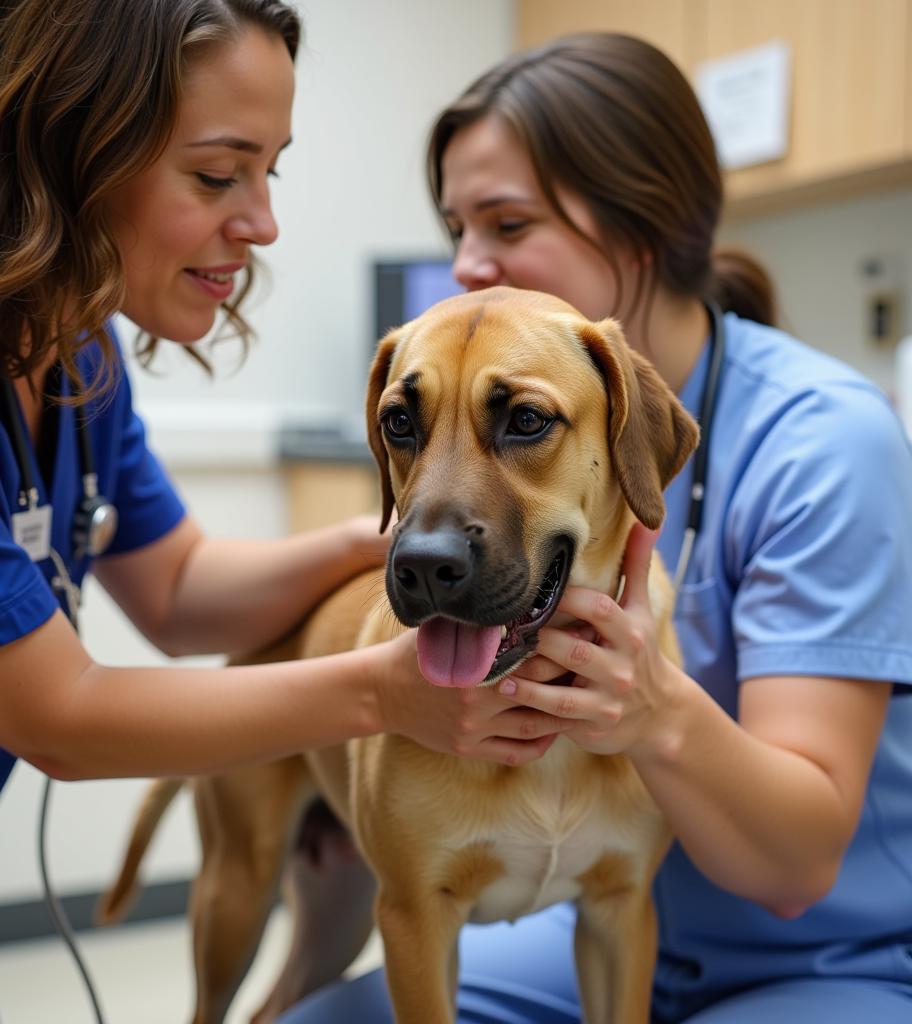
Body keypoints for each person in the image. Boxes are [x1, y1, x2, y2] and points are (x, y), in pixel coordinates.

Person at [0, 3, 571, 1020]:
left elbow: (175, 589)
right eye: (217, 174)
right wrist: (390, 692)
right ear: (65, 147)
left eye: (270, 172)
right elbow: (62, 718)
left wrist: (379, 544)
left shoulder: (74, 351)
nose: (260, 221)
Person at [278, 31, 912, 1024]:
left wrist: (653, 708)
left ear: (641, 226)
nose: (465, 264)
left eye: (507, 221)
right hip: (588, 920)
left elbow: (794, 867)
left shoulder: (824, 441)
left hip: (819, 952)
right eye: (455, 225)